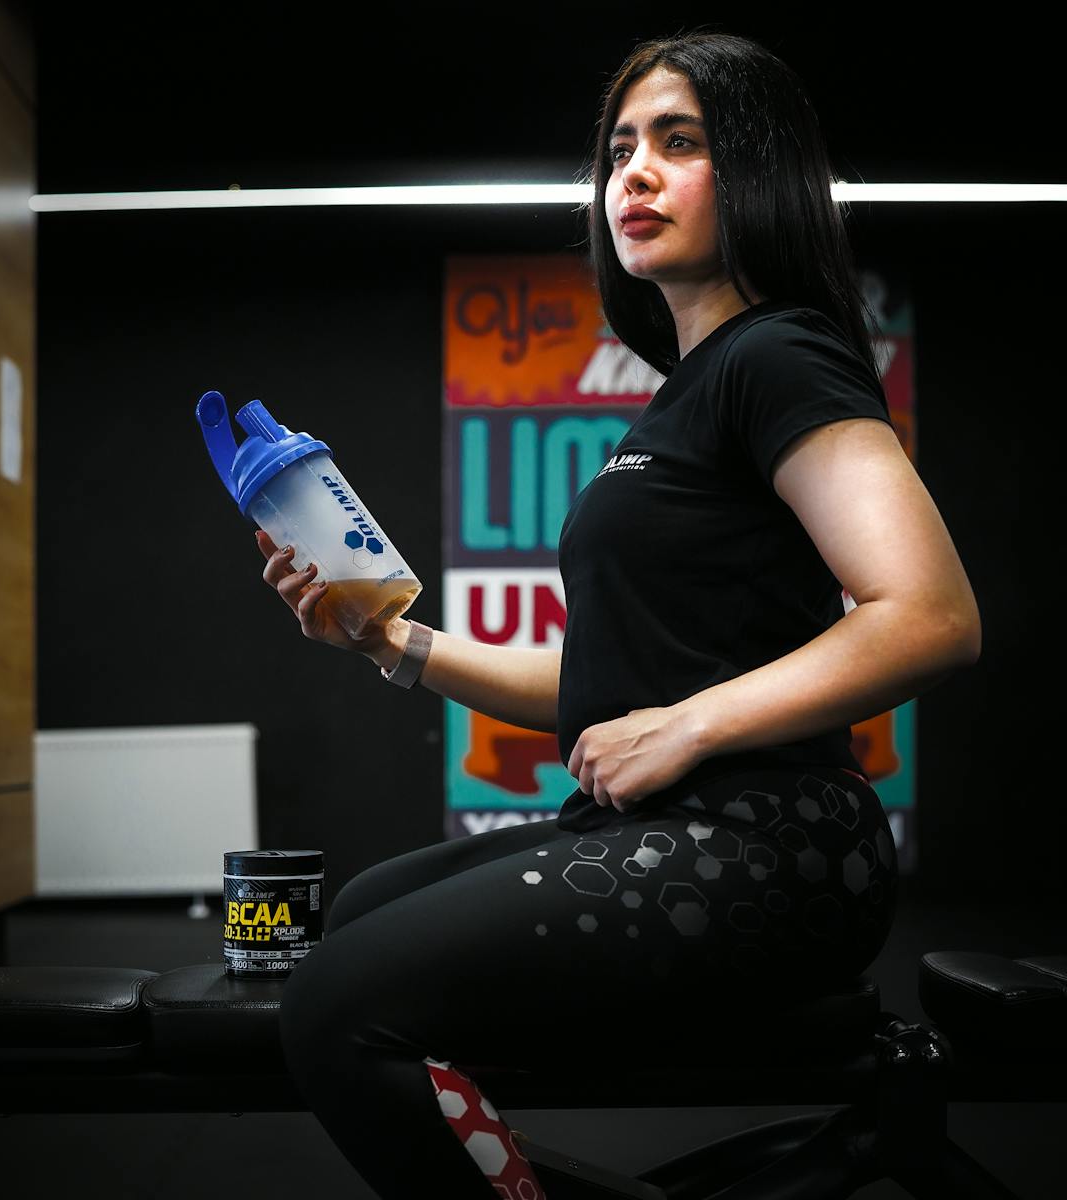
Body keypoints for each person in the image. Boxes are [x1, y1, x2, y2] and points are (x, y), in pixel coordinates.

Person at [261, 30, 981, 1200]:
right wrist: (388, 642)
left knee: (337, 1004)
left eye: (678, 142)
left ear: (756, 172)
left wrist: (689, 727)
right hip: (658, 823)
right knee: (359, 917)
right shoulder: (684, 396)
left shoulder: (782, 354)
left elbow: (931, 614)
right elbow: (604, 683)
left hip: (778, 843)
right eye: (620, 148)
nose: (632, 173)